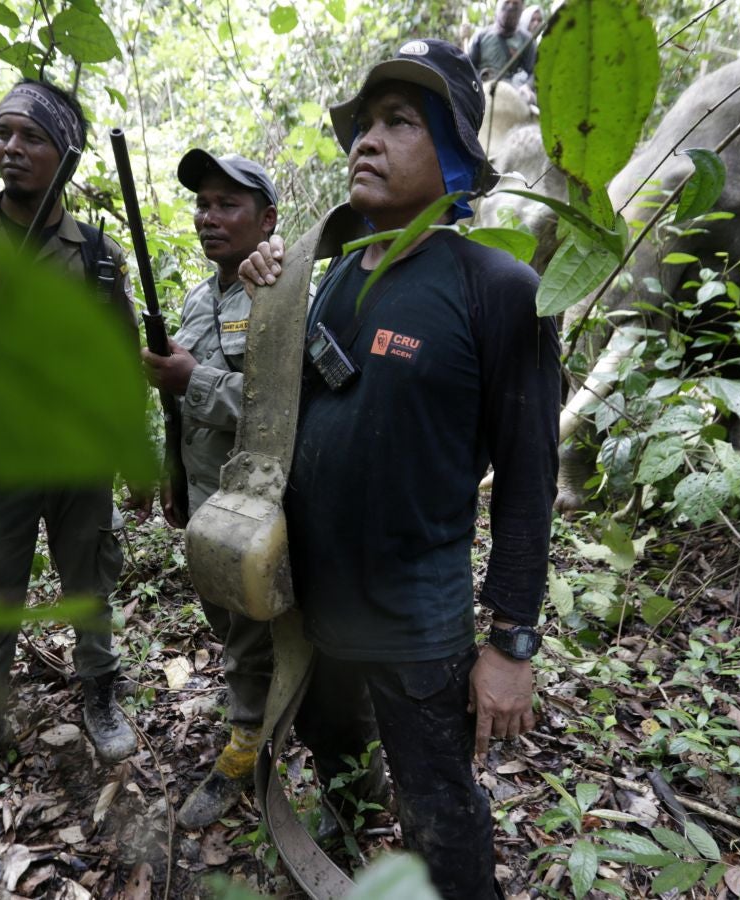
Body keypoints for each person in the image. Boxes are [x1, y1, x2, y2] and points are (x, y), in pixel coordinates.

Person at [240, 39, 559, 899]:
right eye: (362, 127)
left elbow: (530, 483)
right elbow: (286, 418)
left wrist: (511, 646)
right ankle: (353, 839)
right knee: (336, 753)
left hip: (417, 627)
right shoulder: (334, 276)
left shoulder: (499, 288)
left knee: (442, 817)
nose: (365, 143)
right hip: (311, 609)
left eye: (398, 123)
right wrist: (265, 297)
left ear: (455, 152)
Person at [0, 79, 148, 805]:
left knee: (89, 588)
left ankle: (99, 697)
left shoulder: (98, 256)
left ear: (66, 153)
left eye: (32, 137)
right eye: (4, 132)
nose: (11, 148)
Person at [140, 150, 279, 828]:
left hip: (258, 503)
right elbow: (180, 403)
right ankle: (257, 718)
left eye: (228, 205)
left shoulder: (282, 294)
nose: (208, 217)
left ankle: (251, 742)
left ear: (267, 219)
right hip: (205, 498)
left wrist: (190, 378)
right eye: (203, 204)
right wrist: (172, 474)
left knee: (254, 625)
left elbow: (282, 407)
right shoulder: (200, 296)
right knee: (227, 618)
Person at [467, 0, 537, 90]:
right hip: (483, 89)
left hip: (513, 91)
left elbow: (533, 73)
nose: (510, 7)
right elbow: (469, 68)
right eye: (507, 3)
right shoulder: (481, 36)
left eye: (515, 4)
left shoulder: (527, 40)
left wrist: (527, 87)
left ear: (521, 9)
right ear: (498, 6)